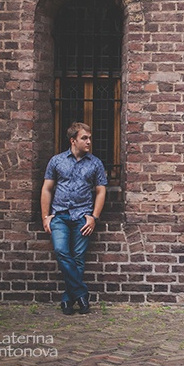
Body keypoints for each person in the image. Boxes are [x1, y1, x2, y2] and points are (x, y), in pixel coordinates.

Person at [40, 122, 107, 315]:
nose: (89, 142)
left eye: (90, 138)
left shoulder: (95, 163)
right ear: (73, 140)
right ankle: (81, 293)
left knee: (78, 257)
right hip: (59, 216)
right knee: (61, 251)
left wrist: (94, 217)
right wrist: (45, 216)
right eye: (84, 138)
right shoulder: (56, 161)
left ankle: (67, 300)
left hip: (82, 217)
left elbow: (101, 191)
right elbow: (46, 189)